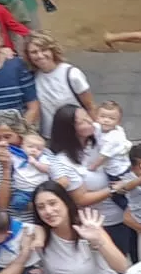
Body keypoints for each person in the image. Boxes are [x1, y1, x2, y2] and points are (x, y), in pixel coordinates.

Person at [42, 104, 135, 259]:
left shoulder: (99, 139)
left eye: (87, 117)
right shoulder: (62, 162)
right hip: (103, 223)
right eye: (81, 122)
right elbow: (81, 198)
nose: (90, 122)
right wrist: (114, 189)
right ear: (70, 130)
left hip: (128, 213)